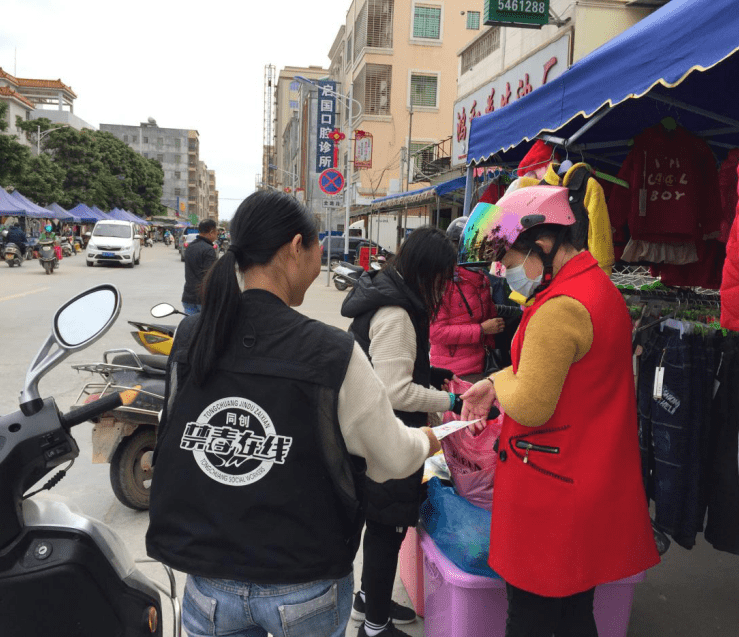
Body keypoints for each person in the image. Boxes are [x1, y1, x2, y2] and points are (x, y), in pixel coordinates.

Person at [146, 190, 441, 637]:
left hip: (208, 583)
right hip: (303, 583)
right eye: (319, 245)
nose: (321, 258)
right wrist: (429, 440)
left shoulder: (192, 335)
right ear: (295, 248)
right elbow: (394, 458)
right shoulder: (330, 351)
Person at [459, 185, 660, 637]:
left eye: (509, 261)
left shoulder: (559, 309)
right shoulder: (598, 288)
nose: (504, 272)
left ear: (542, 245)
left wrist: (496, 380)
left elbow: (529, 403)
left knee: (529, 617)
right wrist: (498, 382)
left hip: (549, 488)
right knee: (572, 611)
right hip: (581, 475)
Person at [341, 226, 460, 637]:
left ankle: (366, 598)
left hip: (366, 433)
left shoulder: (389, 293)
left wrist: (433, 373)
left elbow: (388, 367)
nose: (445, 288)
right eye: (443, 278)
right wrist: (450, 404)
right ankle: (375, 625)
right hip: (383, 440)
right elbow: (396, 391)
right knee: (385, 528)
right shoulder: (396, 314)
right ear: (428, 272)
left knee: (378, 523)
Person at [430, 216, 504, 382]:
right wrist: (481, 330)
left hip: (482, 367)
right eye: (473, 248)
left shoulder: (482, 279)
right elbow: (436, 333)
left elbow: (489, 317)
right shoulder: (444, 282)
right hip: (453, 373)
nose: (480, 253)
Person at [182, 219, 218, 315]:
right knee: (204, 329)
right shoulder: (209, 249)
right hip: (203, 299)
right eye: (216, 232)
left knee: (190, 328)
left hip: (188, 297)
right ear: (211, 232)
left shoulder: (190, 247)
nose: (216, 235)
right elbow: (210, 275)